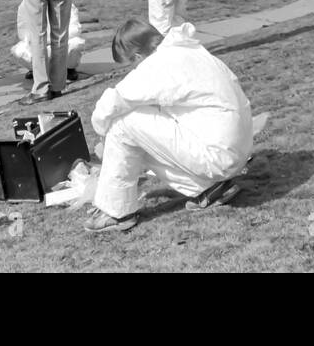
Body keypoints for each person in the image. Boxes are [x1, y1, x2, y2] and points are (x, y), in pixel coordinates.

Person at [84, 19, 253, 233]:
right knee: (138, 128)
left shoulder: (160, 64)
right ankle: (211, 189)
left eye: (130, 65)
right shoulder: (190, 53)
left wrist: (102, 132)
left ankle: (116, 211)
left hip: (218, 154)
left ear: (137, 57)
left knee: (122, 123)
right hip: (232, 150)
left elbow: (112, 102)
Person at [12, 1, 85, 81]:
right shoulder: (25, 6)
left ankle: (69, 69)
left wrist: (53, 39)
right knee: (19, 51)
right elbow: (23, 33)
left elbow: (75, 29)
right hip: (39, 44)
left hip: (61, 43)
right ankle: (36, 70)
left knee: (76, 44)